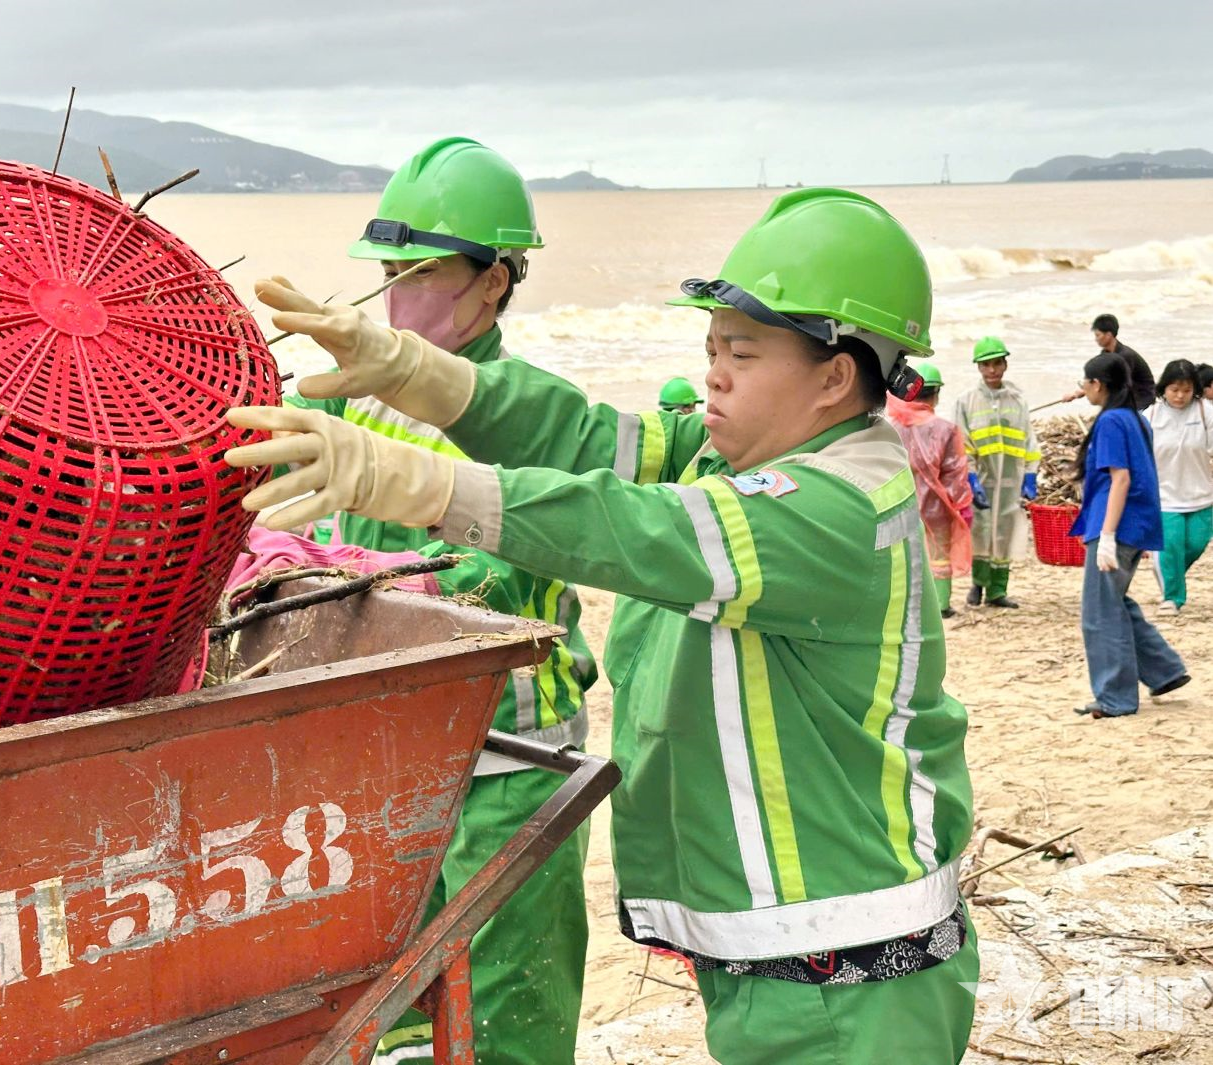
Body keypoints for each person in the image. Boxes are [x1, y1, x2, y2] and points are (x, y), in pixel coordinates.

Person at [230, 187, 978, 1065]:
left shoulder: (832, 509)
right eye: (709, 349)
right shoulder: (730, 453)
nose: (715, 375)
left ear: (834, 376)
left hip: (849, 972)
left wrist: (419, 485)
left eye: (741, 352)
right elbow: (584, 439)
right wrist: (410, 370)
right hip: (789, 955)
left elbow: (629, 528)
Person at [281, 136, 597, 1065]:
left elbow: (537, 558)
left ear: (494, 282)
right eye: (389, 271)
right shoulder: (359, 399)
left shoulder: (533, 412)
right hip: (388, 743)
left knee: (511, 1000)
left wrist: (429, 577)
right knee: (394, 994)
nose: (397, 294)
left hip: (510, 750)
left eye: (423, 273)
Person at [1068, 352, 1189, 718]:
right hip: (1135, 524)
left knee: (1100, 612)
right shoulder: (1136, 420)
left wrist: (1105, 535)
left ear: (1098, 385)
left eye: (1086, 382)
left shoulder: (1111, 423)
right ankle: (1164, 670)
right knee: (1116, 601)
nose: (1084, 388)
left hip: (1116, 525)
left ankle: (1115, 697)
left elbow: (1120, 478)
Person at [953, 337, 1040, 608]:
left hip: (1011, 480)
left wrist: (1030, 474)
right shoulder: (967, 401)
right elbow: (962, 442)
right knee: (981, 531)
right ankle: (978, 584)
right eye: (986, 365)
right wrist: (970, 476)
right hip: (982, 479)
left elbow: (1029, 439)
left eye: (997, 364)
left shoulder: (1017, 399)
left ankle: (998, 591)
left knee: (1004, 532)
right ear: (979, 367)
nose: (992, 371)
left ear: (1005, 364)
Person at [886, 362, 973, 617]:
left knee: (904, 553)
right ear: (936, 394)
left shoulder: (891, 427)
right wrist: (960, 505)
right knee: (939, 556)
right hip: (937, 505)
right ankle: (941, 605)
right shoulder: (946, 429)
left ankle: (907, 606)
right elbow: (955, 472)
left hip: (900, 501)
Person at [1147, 359, 1213, 614]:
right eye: (1174, 390)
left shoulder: (1204, 412)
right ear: (1164, 388)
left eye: (1186, 390)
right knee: (1171, 544)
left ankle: (1165, 568)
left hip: (1201, 493)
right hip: (1165, 495)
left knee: (1195, 545)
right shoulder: (1151, 415)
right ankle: (1172, 599)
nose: (1180, 396)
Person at [1063, 314, 1155, 410]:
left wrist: (1083, 392)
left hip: (1142, 400)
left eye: (1098, 335)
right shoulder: (1106, 353)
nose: (1096, 339)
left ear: (1108, 335)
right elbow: (1098, 379)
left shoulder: (1125, 356)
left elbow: (1122, 384)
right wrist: (1078, 393)